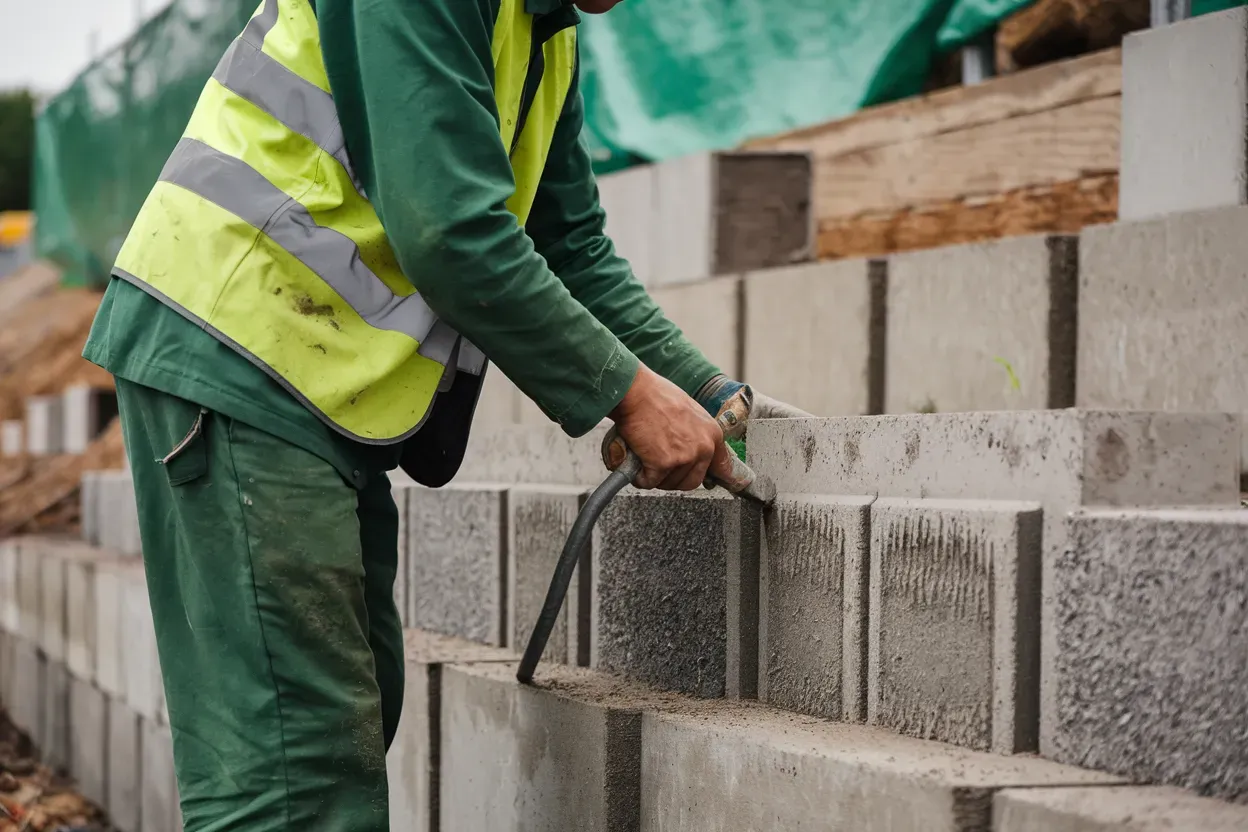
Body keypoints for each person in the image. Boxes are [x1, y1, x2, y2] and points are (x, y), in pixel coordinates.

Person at [82, 0, 783, 827]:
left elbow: (569, 247)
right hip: (239, 342)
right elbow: (449, 232)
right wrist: (630, 396)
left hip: (312, 380)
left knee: (347, 716)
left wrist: (709, 395)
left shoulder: (544, 27)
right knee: (295, 771)